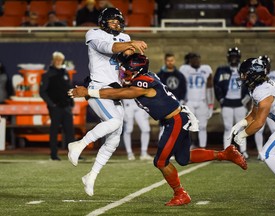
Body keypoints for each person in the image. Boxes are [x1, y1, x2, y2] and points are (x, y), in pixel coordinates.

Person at [68, 53, 247, 206]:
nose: (123, 72)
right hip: (175, 119)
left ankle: (180, 194)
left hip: (175, 120)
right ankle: (226, 154)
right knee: (183, 159)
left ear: (136, 70)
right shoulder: (145, 77)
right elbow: (123, 88)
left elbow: (124, 93)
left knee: (160, 162)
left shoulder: (143, 83)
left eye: (127, 70)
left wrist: (90, 93)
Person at [67, 8, 147, 197]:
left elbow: (125, 59)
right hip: (97, 87)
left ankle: (91, 176)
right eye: (112, 21)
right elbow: (107, 48)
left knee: (114, 137)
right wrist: (130, 44)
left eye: (118, 21)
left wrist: (132, 60)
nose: (116, 24)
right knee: (115, 122)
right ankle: (78, 145)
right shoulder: (93, 33)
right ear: (103, 22)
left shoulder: (125, 36)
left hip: (115, 89)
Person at [229, 57, 275, 205]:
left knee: (266, 153)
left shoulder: (264, 91)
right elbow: (254, 114)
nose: (242, 77)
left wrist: (243, 134)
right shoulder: (258, 87)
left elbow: (260, 122)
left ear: (253, 74)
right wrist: (241, 124)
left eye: (244, 74)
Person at [213, 47, 250, 158]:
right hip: (227, 102)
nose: (233, 59)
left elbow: (250, 85)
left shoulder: (244, 70)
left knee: (241, 128)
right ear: (229, 58)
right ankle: (226, 151)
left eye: (235, 56)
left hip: (240, 103)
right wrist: (221, 99)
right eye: (232, 56)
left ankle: (243, 151)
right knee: (228, 128)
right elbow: (217, 85)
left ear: (238, 58)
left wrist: (246, 99)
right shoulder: (222, 70)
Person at [39, 51, 75, 160]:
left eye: (61, 60)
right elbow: (42, 92)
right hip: (55, 108)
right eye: (57, 60)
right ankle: (54, 155)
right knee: (54, 131)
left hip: (66, 107)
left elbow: (68, 88)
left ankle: (73, 155)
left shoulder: (65, 73)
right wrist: (52, 104)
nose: (59, 62)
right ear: (53, 61)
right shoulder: (47, 75)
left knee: (70, 131)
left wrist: (71, 102)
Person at [179, 52, 214, 148]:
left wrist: (210, 105)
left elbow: (210, 88)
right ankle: (191, 144)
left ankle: (203, 147)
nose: (196, 61)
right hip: (189, 101)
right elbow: (181, 85)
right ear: (189, 61)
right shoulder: (184, 69)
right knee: (188, 125)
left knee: (202, 126)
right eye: (193, 59)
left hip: (202, 101)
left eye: (197, 59)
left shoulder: (206, 69)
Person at [254, 55, 275, 158]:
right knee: (259, 129)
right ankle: (260, 151)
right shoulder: (255, 76)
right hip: (261, 106)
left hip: (272, 106)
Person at [157, 52, 187, 140]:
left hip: (176, 105)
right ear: (165, 61)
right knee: (163, 127)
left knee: (176, 128)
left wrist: (181, 101)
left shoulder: (180, 75)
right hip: (164, 105)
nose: (170, 62)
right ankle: (162, 150)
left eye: (172, 60)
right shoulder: (160, 75)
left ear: (174, 61)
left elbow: (183, 89)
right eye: (168, 61)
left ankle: (172, 150)